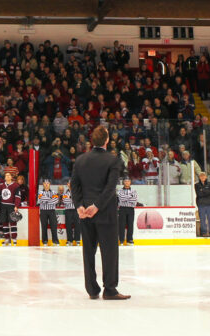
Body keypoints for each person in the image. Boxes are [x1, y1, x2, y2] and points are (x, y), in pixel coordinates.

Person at [70, 126, 129, 300]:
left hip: (85, 214)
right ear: (106, 141)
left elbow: (74, 185)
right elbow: (110, 188)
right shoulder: (113, 160)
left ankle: (91, 289)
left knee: (88, 251)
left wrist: (79, 206)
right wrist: (97, 206)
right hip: (105, 213)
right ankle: (109, 289)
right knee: (109, 252)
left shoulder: (80, 160)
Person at [0, 171, 23, 246]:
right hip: (3, 206)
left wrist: (16, 206)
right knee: (4, 223)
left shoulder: (15, 186)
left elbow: (18, 197)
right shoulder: (1, 186)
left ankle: (14, 239)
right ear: (4, 177)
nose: (7, 176)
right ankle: (7, 238)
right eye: (6, 175)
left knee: (13, 222)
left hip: (11, 206)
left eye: (9, 175)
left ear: (11, 177)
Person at [117, 178, 138, 246]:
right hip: (122, 209)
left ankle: (129, 240)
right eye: (125, 181)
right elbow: (121, 198)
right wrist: (130, 197)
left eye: (128, 181)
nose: (127, 182)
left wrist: (126, 197)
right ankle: (121, 240)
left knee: (130, 224)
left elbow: (134, 200)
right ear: (123, 182)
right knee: (121, 224)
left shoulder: (134, 190)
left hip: (131, 209)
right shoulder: (120, 190)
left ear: (130, 182)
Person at [38, 179, 59, 247]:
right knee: (44, 226)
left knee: (54, 226)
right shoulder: (40, 192)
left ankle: (55, 241)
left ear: (50, 184)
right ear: (43, 184)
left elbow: (55, 200)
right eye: (45, 183)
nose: (46, 184)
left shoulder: (54, 192)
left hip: (52, 211)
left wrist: (47, 200)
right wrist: (50, 199)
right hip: (43, 211)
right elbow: (42, 199)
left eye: (48, 183)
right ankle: (45, 241)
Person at [195, 172, 210, 237]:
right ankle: (204, 232)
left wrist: (202, 190)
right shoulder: (197, 185)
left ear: (206, 177)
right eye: (201, 176)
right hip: (201, 204)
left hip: (209, 204)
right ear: (199, 177)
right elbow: (199, 194)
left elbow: (209, 192)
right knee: (202, 219)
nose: (202, 177)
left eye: (203, 176)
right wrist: (205, 190)